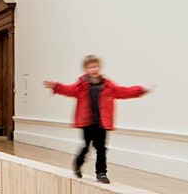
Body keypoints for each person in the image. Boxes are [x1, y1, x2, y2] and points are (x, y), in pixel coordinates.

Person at [43, 55, 150, 184]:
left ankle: (101, 173)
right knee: (86, 146)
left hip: (102, 122)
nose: (94, 69)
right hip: (87, 122)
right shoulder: (81, 85)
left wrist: (138, 91)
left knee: (101, 148)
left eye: (96, 66)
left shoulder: (108, 85)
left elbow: (122, 91)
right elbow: (68, 90)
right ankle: (78, 163)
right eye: (91, 67)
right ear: (85, 69)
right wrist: (56, 86)